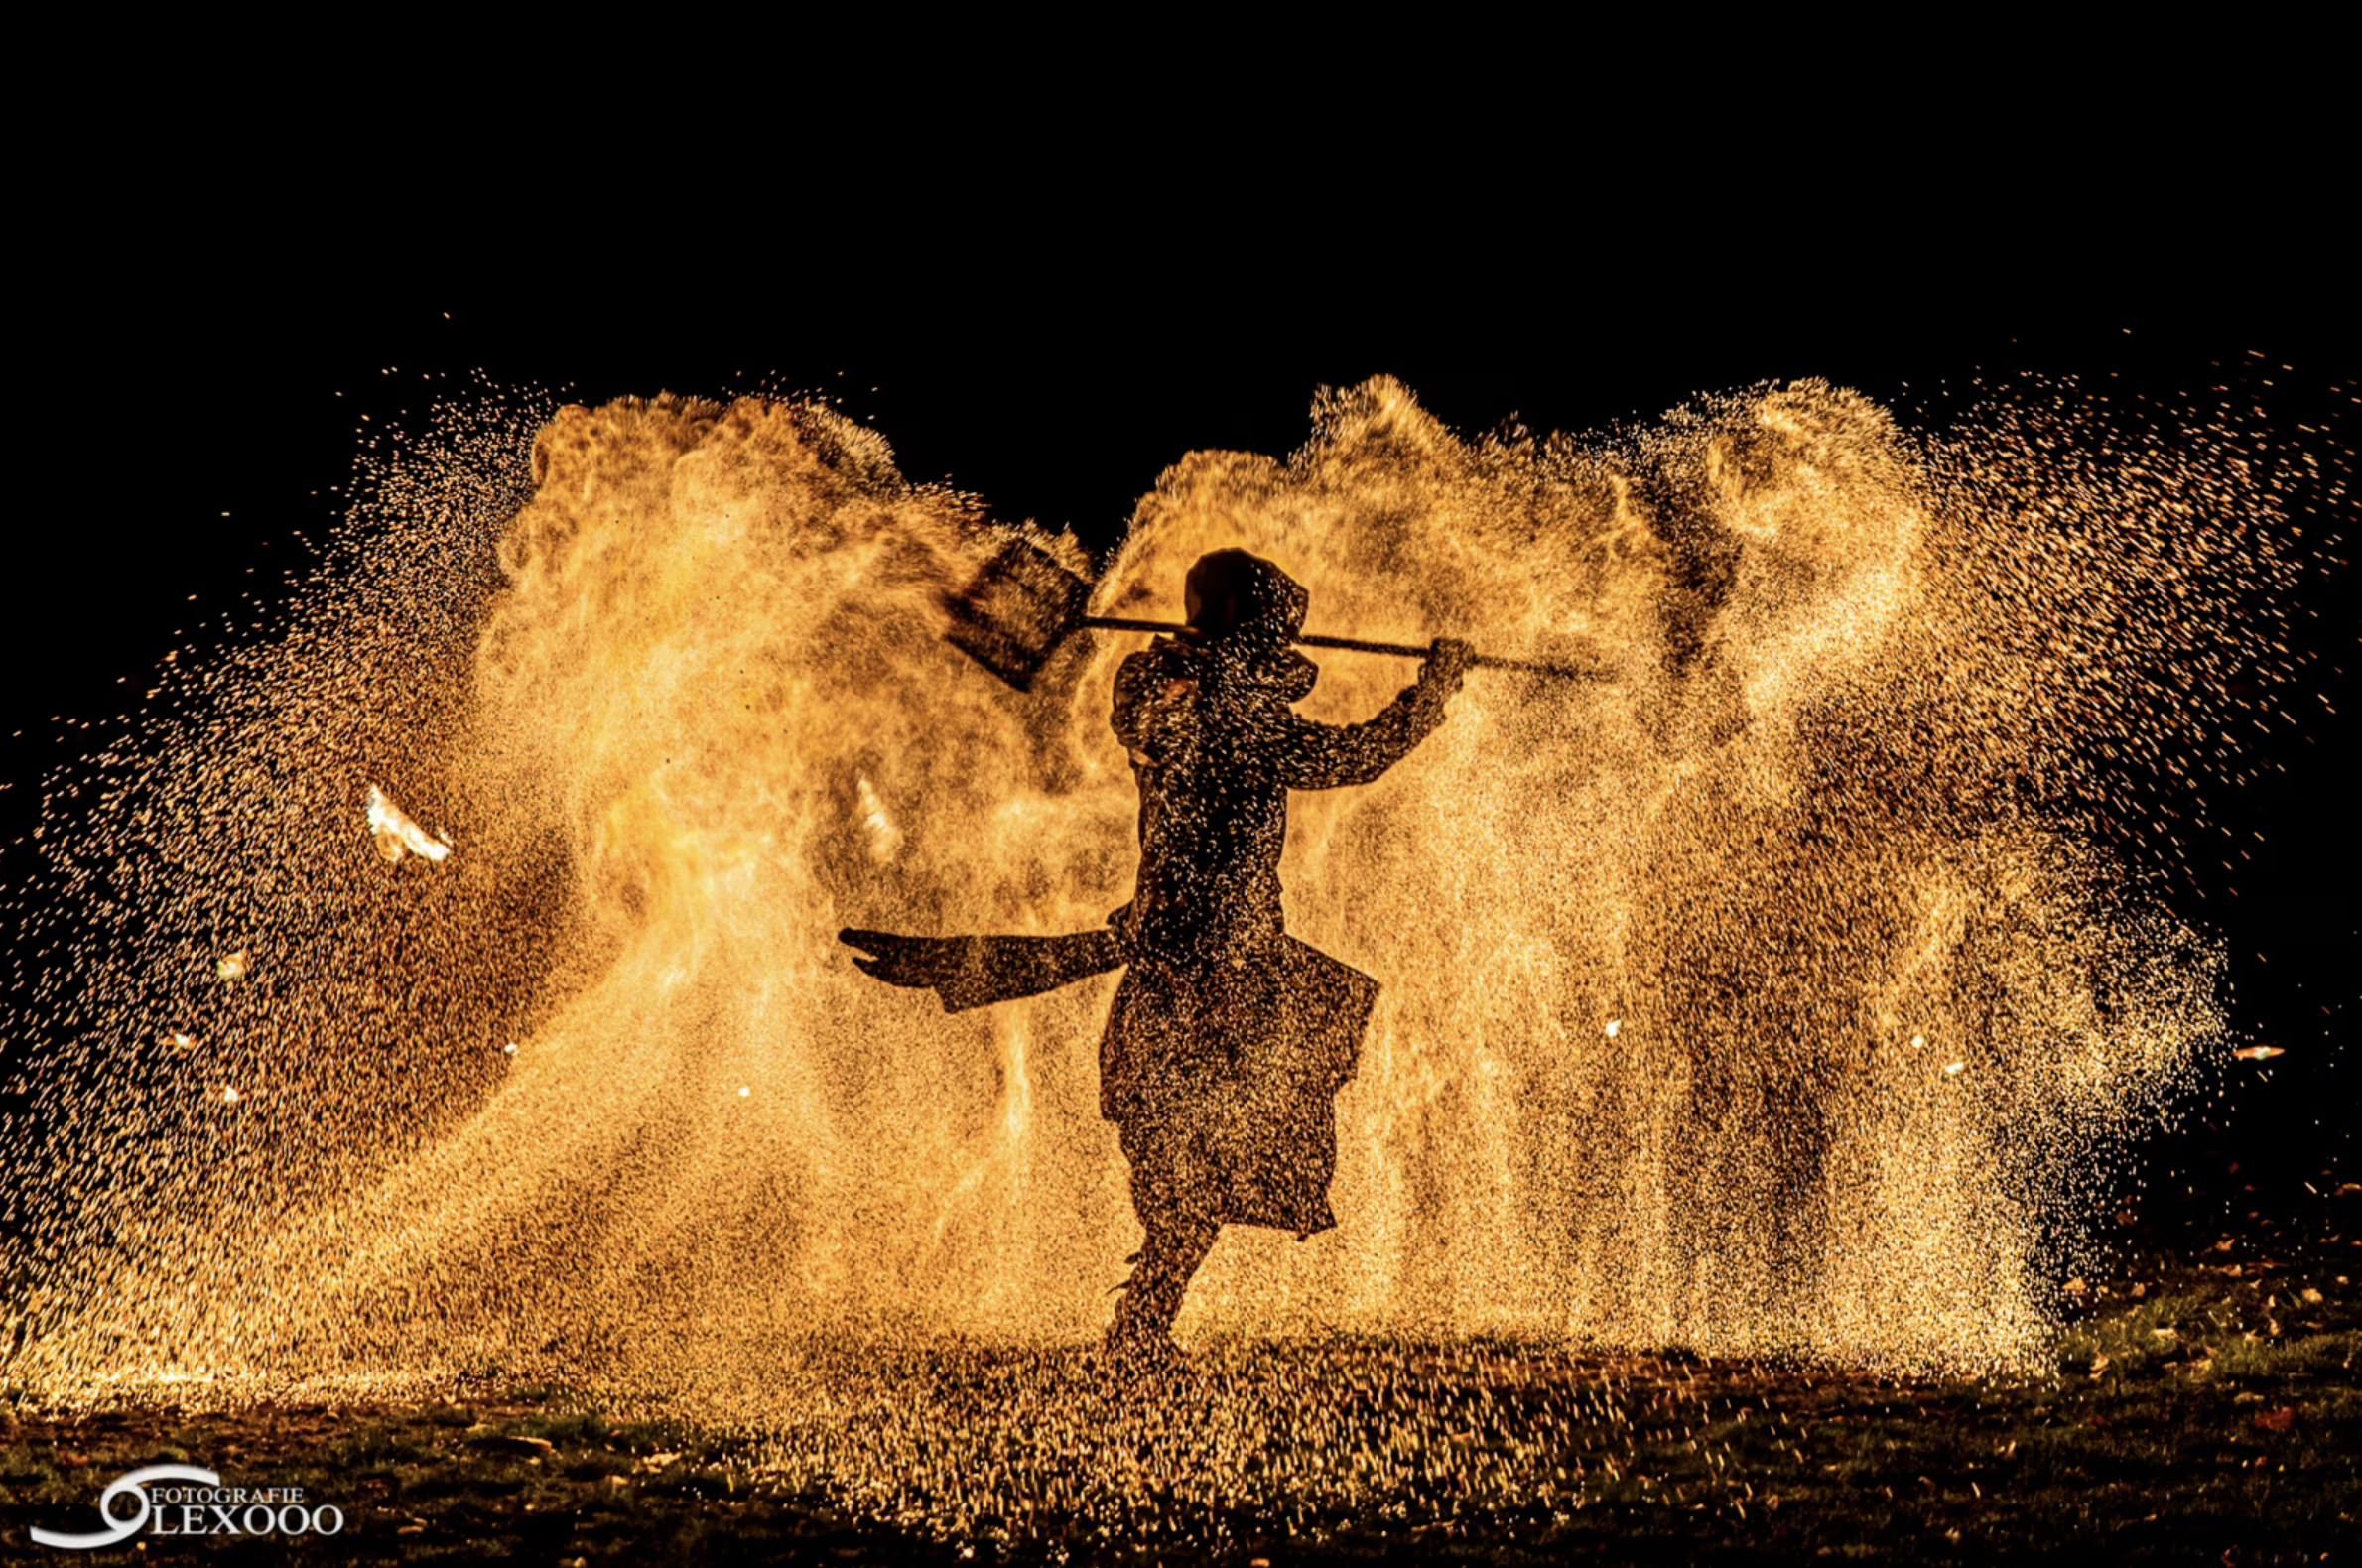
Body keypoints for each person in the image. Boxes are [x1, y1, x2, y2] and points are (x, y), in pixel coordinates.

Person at [1099, 548, 1469, 1358]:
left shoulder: (1177, 691)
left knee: (1199, 1156)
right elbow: (1348, 758)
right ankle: (1140, 1327)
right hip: (1216, 967)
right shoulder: (1214, 707)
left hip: (1188, 959)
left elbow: (1150, 709)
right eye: (1270, 625)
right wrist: (1431, 695)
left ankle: (1142, 1325)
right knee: (1196, 1154)